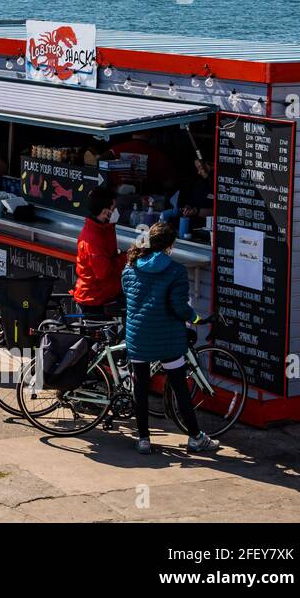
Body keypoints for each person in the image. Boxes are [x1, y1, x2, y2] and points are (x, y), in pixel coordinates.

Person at [122, 222, 220, 455]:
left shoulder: (131, 266)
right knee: (179, 386)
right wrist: (196, 320)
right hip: (167, 339)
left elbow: (127, 294)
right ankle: (195, 437)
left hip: (138, 337)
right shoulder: (175, 271)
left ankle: (143, 439)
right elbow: (180, 308)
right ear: (169, 246)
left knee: (141, 387)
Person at [72, 184, 126, 317]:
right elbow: (104, 272)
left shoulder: (106, 227)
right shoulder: (92, 238)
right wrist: (126, 257)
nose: (116, 210)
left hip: (106, 292)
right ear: (105, 211)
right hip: (95, 299)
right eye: (114, 207)